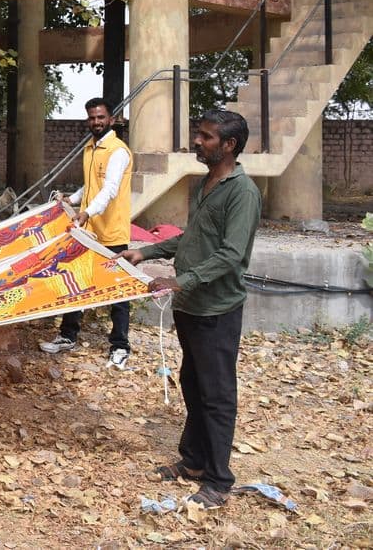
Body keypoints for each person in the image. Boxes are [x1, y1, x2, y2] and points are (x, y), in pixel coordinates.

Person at [120, 109, 262, 510]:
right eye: (198, 135)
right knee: (193, 384)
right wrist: (145, 250)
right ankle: (195, 461)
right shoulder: (205, 183)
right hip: (191, 306)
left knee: (217, 396)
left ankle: (219, 481)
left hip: (216, 308)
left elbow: (231, 254)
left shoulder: (242, 192)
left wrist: (179, 280)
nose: (197, 142)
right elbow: (191, 238)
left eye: (206, 137)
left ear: (229, 145)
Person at [40, 97, 134, 368]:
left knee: (118, 294)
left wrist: (86, 212)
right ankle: (67, 336)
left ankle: (120, 347)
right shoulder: (91, 148)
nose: (96, 122)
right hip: (89, 231)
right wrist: (73, 199)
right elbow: (91, 184)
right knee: (75, 282)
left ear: (112, 120)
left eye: (101, 117)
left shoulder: (118, 151)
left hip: (112, 233)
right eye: (92, 117)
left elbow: (110, 189)